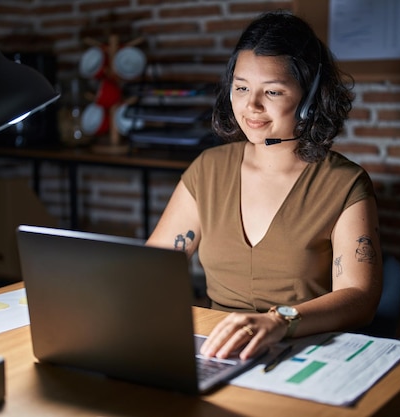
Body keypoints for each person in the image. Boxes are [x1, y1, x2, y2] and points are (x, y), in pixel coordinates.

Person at [146, 10, 382, 360]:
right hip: (217, 350)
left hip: (303, 348)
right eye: (241, 88)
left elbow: (360, 296)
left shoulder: (344, 184)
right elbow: (150, 269)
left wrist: (280, 321)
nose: (251, 106)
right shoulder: (207, 170)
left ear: (310, 98)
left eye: (272, 92)